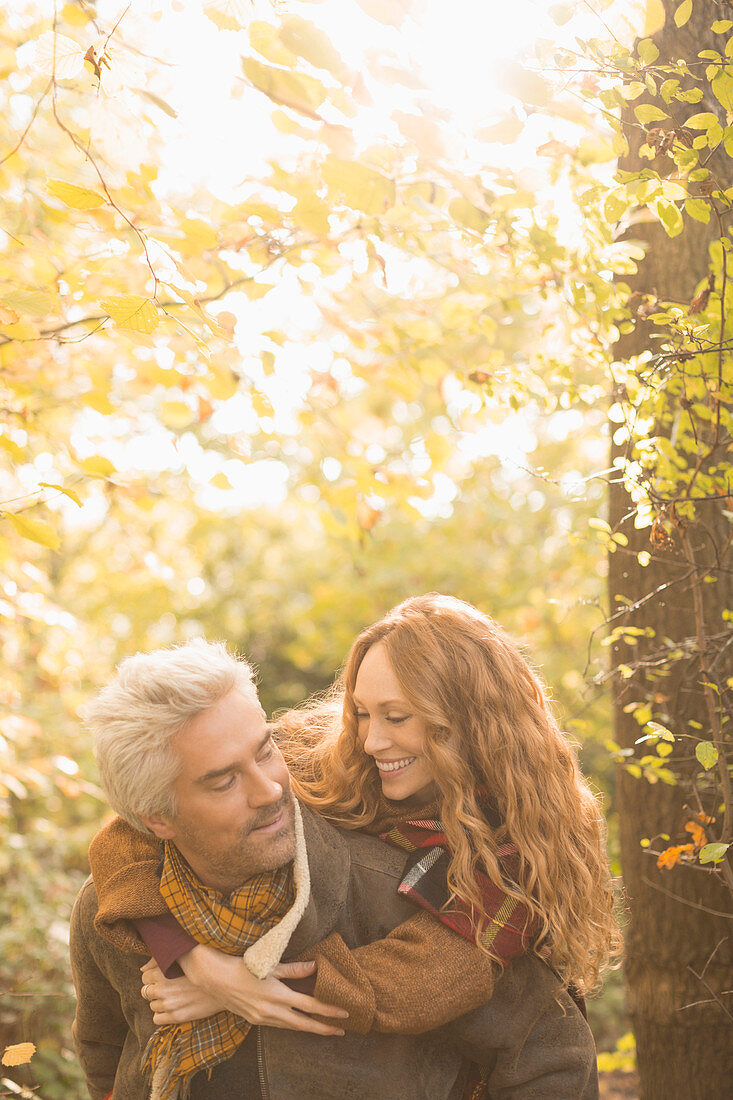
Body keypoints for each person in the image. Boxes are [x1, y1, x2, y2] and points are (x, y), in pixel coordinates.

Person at [71, 626, 602, 1099]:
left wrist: (261, 986)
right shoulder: (332, 760)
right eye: (224, 779)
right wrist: (188, 954)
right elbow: (106, 1056)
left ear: (471, 724)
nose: (269, 788)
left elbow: (514, 1029)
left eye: (263, 752)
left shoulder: (460, 879)